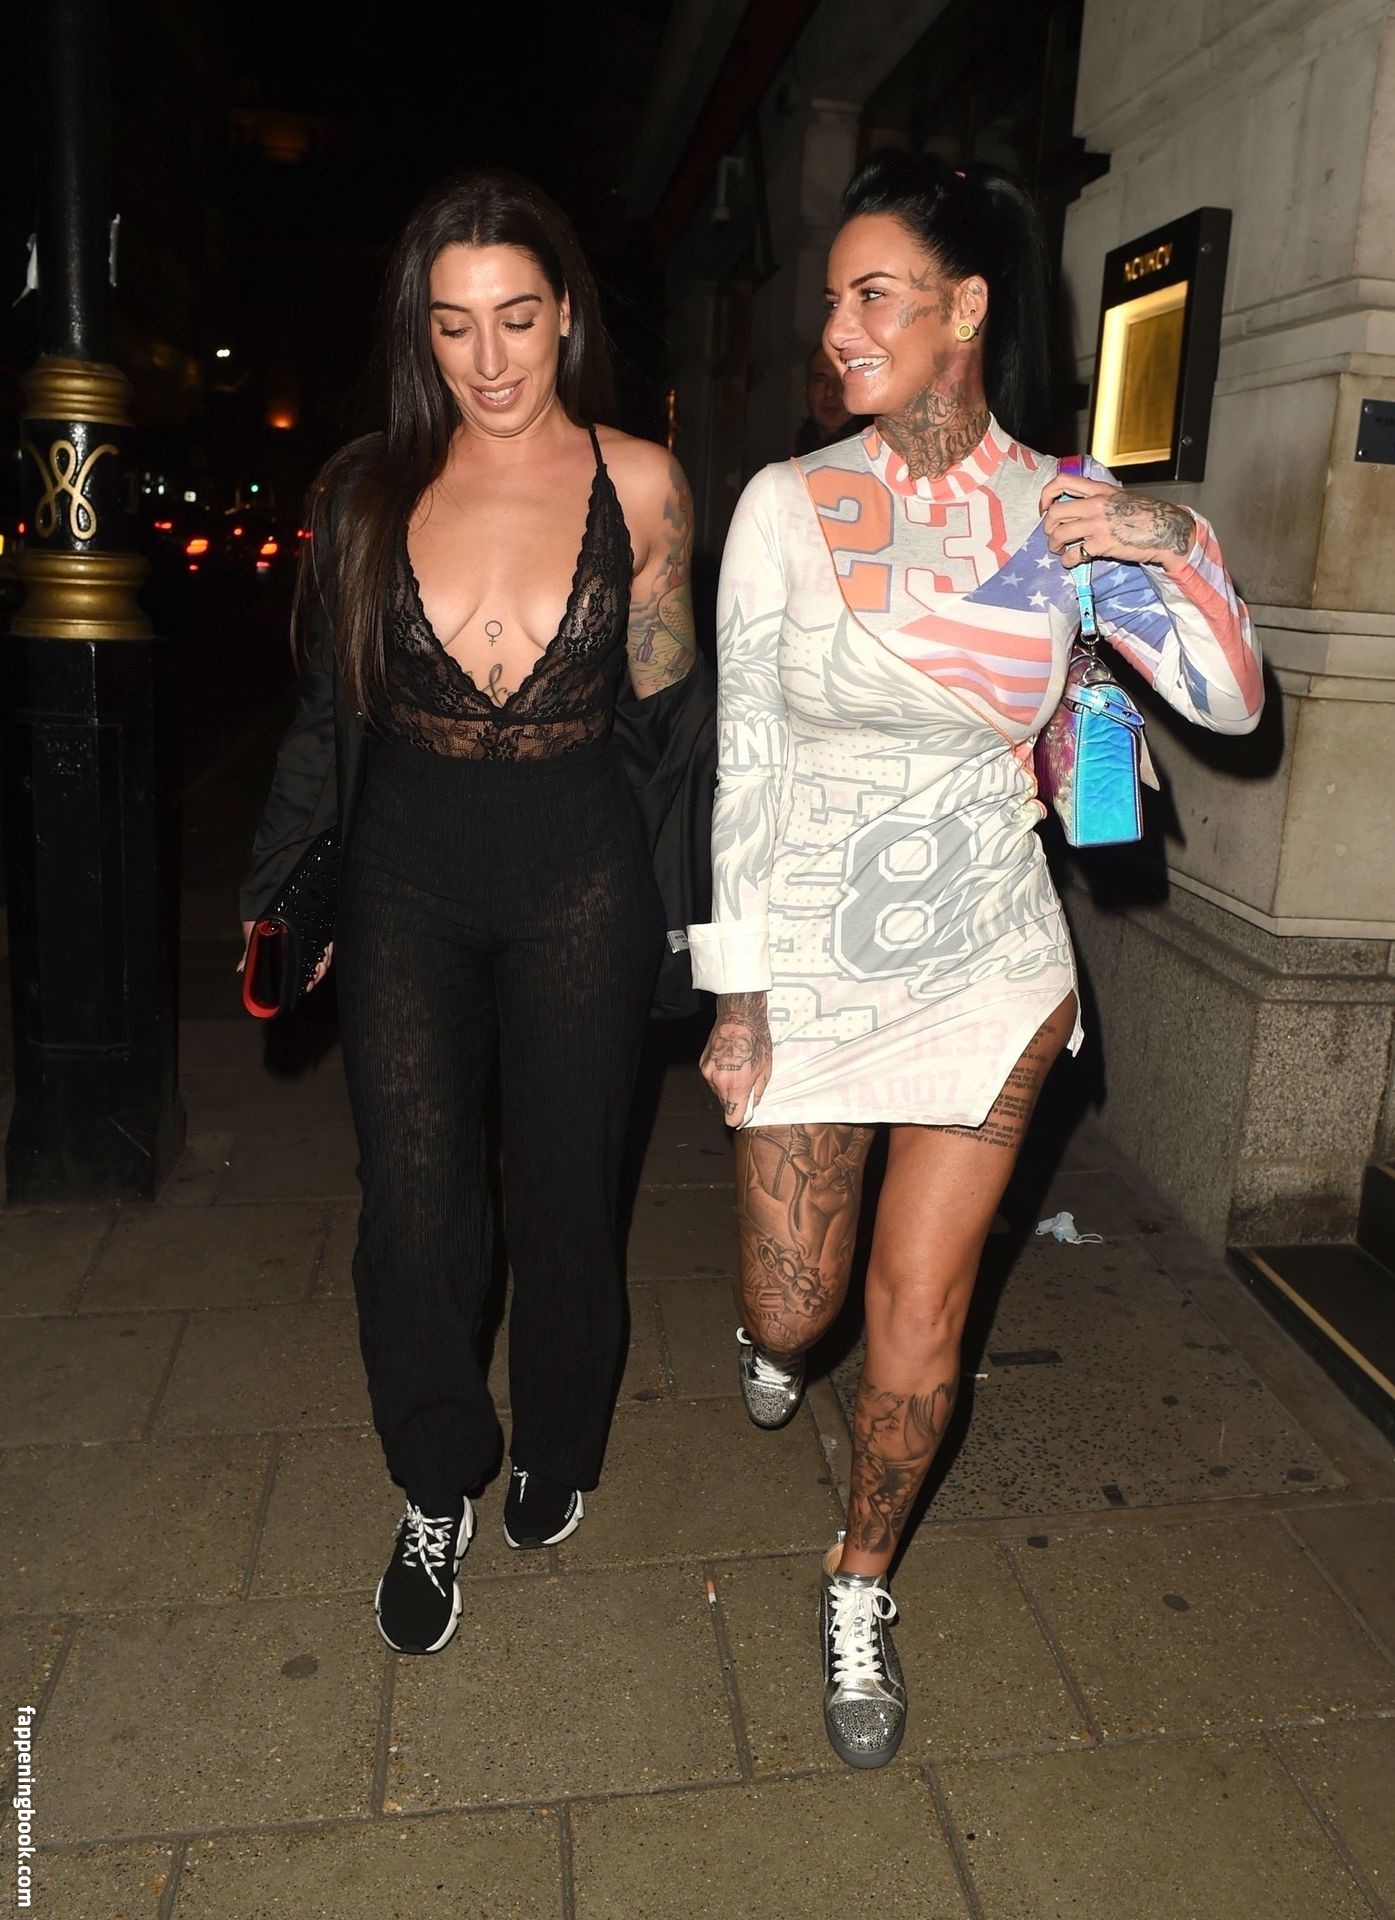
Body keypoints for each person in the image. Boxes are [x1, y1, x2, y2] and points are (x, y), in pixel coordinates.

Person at [688, 149, 1263, 1768]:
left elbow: (1228, 705)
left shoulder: (1062, 513)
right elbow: (745, 762)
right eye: (833, 300)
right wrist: (734, 988)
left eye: (873, 296)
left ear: (964, 309)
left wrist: (1165, 535)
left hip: (988, 960)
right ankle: (768, 1343)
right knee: (793, 1308)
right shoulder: (790, 504)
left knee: (919, 1315)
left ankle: (858, 1580)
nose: (839, 328)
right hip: (813, 956)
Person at [240, 169, 696, 1657]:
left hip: (582, 873)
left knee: (568, 1188)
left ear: (565, 314)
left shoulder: (644, 486)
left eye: (514, 317)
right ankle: (433, 1478)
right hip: (406, 875)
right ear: (416, 332)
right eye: (452, 325)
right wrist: (280, 889)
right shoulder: (362, 492)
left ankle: (557, 1437)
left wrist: (705, 940)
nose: (487, 359)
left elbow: (671, 731)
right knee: (417, 1194)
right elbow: (326, 719)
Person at [792, 342, 865, 454]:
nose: (830, 392)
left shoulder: (879, 452)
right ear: (806, 389)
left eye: (842, 380)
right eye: (820, 381)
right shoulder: (795, 455)